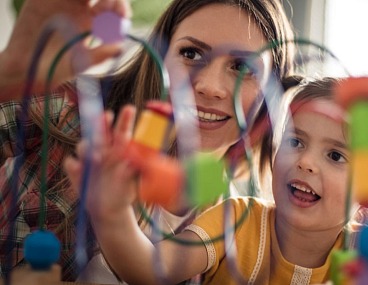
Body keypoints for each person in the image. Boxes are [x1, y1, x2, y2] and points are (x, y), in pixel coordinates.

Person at [0, 0, 295, 281]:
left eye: (242, 68)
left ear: (273, 95)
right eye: (190, 54)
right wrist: (13, 67)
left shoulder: (237, 229)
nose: (209, 87)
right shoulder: (70, 111)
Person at [64, 76, 368, 284]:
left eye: (336, 155)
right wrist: (112, 212)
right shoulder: (235, 221)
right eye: (295, 141)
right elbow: (150, 270)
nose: (304, 162)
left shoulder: (366, 252)